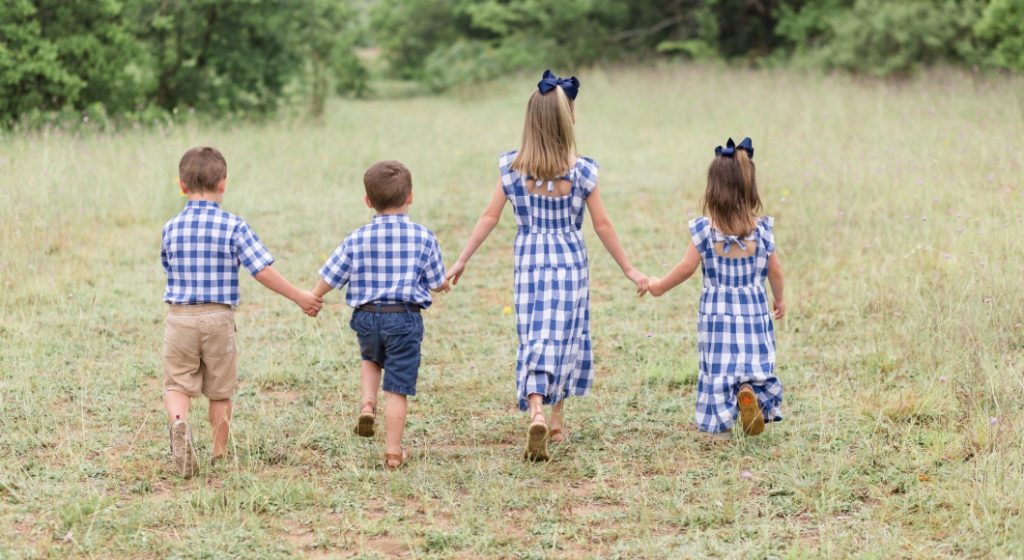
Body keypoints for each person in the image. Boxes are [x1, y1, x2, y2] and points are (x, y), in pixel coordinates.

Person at [446, 70, 648, 461]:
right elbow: (602, 225)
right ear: (568, 118)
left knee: (536, 335)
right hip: (570, 262)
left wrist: (461, 259)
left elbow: (489, 218)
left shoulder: (512, 168)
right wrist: (630, 269)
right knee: (566, 336)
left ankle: (535, 409)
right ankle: (555, 420)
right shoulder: (583, 171)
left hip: (530, 262)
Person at [161, 146, 322, 477]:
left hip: (179, 317)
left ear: (180, 185)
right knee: (220, 389)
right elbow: (261, 269)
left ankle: (179, 424)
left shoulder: (171, 227)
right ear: (223, 184)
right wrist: (299, 296)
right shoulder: (233, 226)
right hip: (218, 317)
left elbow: (167, 264)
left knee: (177, 383)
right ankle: (219, 452)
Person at [312, 160, 448, 470]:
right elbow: (437, 281)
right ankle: (393, 452)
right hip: (403, 318)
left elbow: (332, 275)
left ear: (368, 201)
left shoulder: (357, 238)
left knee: (371, 359)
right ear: (410, 197)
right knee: (397, 387)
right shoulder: (424, 237)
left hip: (366, 317)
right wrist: (445, 284)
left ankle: (367, 405)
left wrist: (313, 296)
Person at [647, 137, 785, 438]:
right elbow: (775, 270)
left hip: (717, 314)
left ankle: (720, 427)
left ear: (713, 190)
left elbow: (685, 268)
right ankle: (749, 390)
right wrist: (779, 299)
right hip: (752, 310)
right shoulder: (762, 231)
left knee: (720, 368)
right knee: (751, 361)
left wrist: (659, 286)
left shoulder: (705, 231)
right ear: (750, 188)